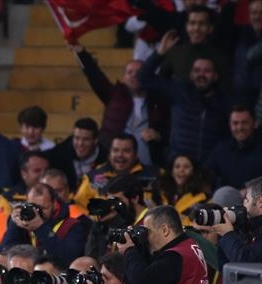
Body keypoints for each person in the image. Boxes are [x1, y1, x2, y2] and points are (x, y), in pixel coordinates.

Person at [139, 30, 230, 164]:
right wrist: (160, 53)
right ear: (191, 75)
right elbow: (144, 78)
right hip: (178, 166)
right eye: (197, 70)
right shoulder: (179, 90)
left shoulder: (225, 101)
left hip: (210, 171)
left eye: (207, 71)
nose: (201, 75)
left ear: (215, 76)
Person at [71, 44, 168, 167]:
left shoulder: (160, 100)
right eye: (129, 72)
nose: (134, 76)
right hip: (112, 167)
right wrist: (81, 53)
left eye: (139, 72)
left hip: (148, 166)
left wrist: (158, 135)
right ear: (123, 77)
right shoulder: (114, 95)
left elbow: (170, 132)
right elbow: (94, 75)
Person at [0, 183, 88, 267]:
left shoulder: (72, 226)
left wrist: (41, 228)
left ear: (55, 205)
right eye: (33, 206)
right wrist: (14, 225)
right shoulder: (23, 223)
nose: (37, 212)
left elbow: (67, 259)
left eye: (43, 208)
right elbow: (4, 254)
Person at [73, 133, 158, 212]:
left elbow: (165, 210)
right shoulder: (92, 178)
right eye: (115, 150)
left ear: (135, 154)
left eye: (126, 151)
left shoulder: (154, 176)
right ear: (109, 153)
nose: (120, 155)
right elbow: (79, 208)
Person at [204, 106, 262, 190]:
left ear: (254, 123)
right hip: (227, 200)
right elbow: (207, 175)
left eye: (244, 123)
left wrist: (251, 191)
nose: (240, 128)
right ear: (230, 125)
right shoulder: (222, 149)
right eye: (235, 123)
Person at [206, 177, 262, 264]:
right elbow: (224, 266)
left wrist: (227, 235)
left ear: (260, 203)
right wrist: (236, 227)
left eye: (246, 200)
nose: (243, 204)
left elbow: (248, 262)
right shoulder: (253, 228)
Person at [43, 117, 107, 191]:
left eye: (86, 139)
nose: (80, 144)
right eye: (77, 138)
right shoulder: (57, 155)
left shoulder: (106, 158)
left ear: (95, 140)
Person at [150, 154, 210, 224]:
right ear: (172, 172)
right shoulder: (161, 193)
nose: (181, 170)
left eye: (186, 167)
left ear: (193, 171)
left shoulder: (202, 198)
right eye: (177, 167)